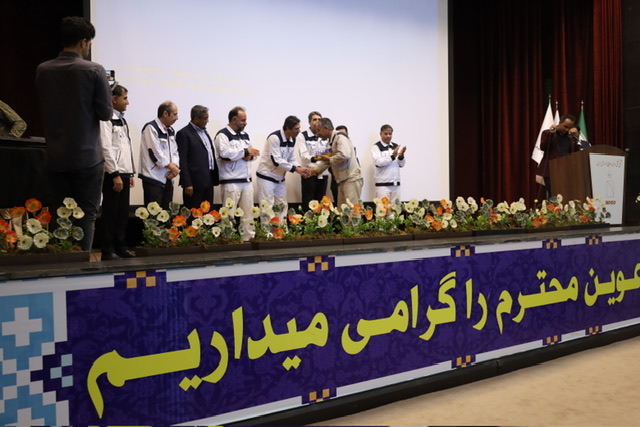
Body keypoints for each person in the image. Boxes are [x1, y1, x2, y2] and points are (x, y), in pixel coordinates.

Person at [35, 16, 113, 252]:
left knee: (60, 213)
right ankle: (82, 266)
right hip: (87, 156)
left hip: (55, 155)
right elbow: (106, 113)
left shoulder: (43, 69)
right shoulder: (94, 70)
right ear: (83, 42)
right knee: (86, 215)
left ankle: (61, 265)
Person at [99, 84, 135, 260]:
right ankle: (108, 249)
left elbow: (125, 147)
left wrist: (130, 172)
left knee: (122, 213)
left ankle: (121, 246)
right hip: (113, 174)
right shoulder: (106, 118)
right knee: (110, 212)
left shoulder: (122, 119)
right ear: (114, 99)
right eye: (125, 98)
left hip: (124, 173)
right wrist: (115, 174)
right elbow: (106, 147)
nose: (127, 102)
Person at [214, 107, 260, 241]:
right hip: (231, 181)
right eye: (243, 120)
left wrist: (247, 155)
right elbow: (225, 155)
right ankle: (227, 239)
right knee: (228, 214)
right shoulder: (222, 135)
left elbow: (254, 153)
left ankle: (248, 238)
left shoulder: (245, 135)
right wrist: (245, 152)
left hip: (246, 181)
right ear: (234, 120)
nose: (245, 123)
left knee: (248, 213)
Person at [257, 115, 310, 218]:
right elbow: (276, 161)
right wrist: (296, 169)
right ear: (288, 128)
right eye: (296, 129)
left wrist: (300, 168)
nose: (299, 131)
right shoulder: (274, 138)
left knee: (282, 205)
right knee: (267, 207)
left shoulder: (292, 139)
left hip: (280, 178)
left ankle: (281, 228)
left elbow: (291, 158)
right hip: (266, 177)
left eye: (299, 128)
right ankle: (267, 229)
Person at [139, 101, 180, 209]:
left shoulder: (170, 130)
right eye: (175, 114)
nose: (177, 118)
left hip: (168, 177)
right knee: (154, 214)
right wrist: (171, 167)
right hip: (153, 178)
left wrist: (175, 166)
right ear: (165, 113)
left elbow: (175, 151)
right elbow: (154, 152)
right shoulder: (151, 127)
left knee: (166, 213)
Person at [176, 105, 219, 209]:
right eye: (205, 118)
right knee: (193, 213)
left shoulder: (204, 132)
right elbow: (182, 160)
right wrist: (187, 183)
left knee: (208, 213)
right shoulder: (183, 133)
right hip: (194, 183)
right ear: (196, 119)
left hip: (208, 179)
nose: (207, 121)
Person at [314, 117, 363, 208]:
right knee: (342, 210)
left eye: (318, 130)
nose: (317, 133)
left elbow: (344, 155)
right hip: (342, 180)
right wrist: (315, 171)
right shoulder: (330, 142)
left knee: (352, 210)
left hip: (351, 178)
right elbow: (328, 161)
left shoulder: (340, 137)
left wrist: (329, 159)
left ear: (326, 128)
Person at [535, 114, 579, 199]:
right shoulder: (547, 133)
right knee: (553, 196)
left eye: (569, 128)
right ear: (560, 123)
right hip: (551, 170)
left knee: (566, 196)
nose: (567, 130)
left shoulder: (571, 137)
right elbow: (543, 147)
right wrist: (551, 134)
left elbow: (576, 153)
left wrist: (576, 137)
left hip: (567, 171)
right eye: (565, 126)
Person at [297, 111, 331, 209]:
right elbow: (304, 155)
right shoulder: (303, 135)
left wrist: (323, 158)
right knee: (308, 203)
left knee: (321, 203)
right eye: (314, 119)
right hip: (309, 173)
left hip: (323, 173)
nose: (317, 121)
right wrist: (318, 157)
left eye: (319, 119)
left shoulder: (325, 135)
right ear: (309, 122)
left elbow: (329, 152)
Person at [371, 124, 406, 203]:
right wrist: (393, 156)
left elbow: (401, 164)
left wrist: (401, 156)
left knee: (396, 209)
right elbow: (378, 162)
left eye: (390, 134)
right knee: (383, 209)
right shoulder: (376, 147)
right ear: (381, 134)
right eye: (386, 134)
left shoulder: (395, 146)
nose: (388, 136)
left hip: (396, 185)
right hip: (383, 186)